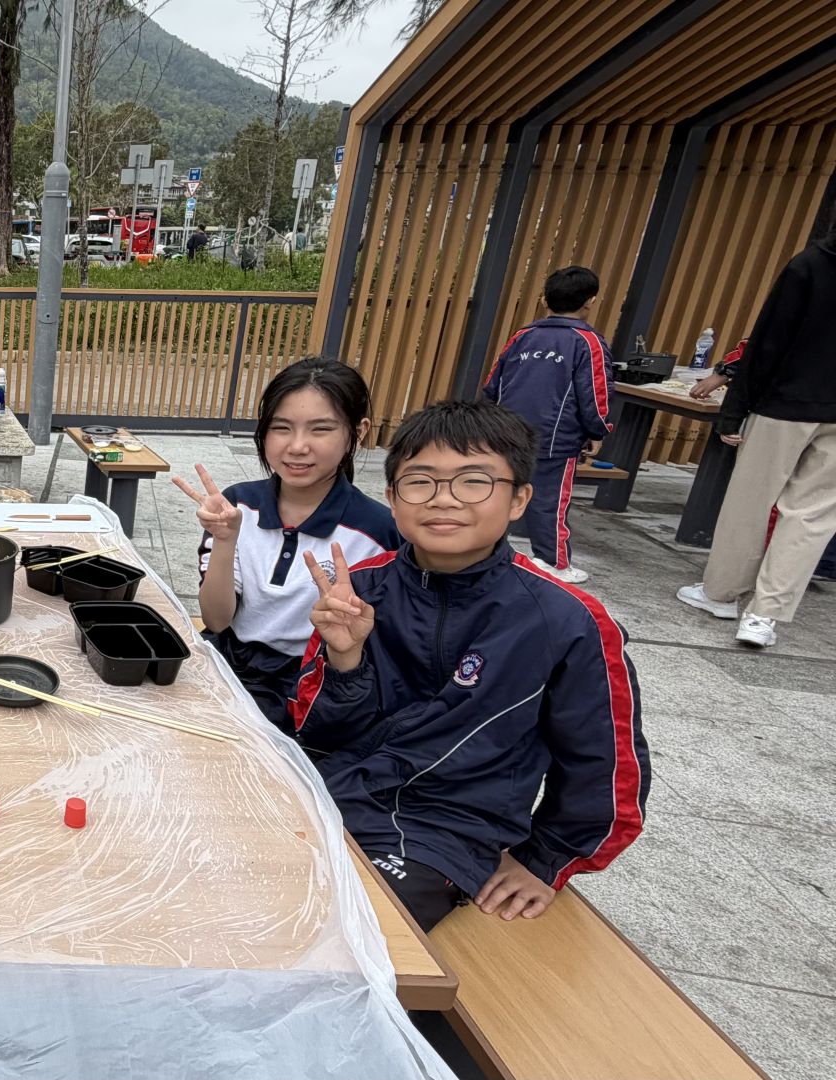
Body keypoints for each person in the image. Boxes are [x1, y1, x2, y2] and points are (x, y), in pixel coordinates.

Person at [287, 400, 648, 931]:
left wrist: (545, 860)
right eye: (421, 482)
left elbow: (607, 765)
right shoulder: (360, 589)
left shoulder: (565, 620)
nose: (444, 501)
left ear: (520, 497)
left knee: (348, 929)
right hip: (328, 792)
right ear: (392, 497)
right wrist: (345, 658)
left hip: (449, 829)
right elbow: (316, 729)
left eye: (474, 481)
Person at [175, 357, 397, 724]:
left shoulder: (379, 532)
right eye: (281, 428)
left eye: (320, 429)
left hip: (313, 688)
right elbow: (216, 620)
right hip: (229, 665)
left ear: (357, 433)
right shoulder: (236, 504)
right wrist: (226, 540)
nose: (297, 446)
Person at [679, 231, 836, 650]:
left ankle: (722, 594)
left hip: (783, 404)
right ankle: (764, 617)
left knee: (750, 501)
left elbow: (768, 340)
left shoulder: (810, 265)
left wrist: (736, 405)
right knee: (812, 518)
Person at [481, 265, 613, 584]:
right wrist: (598, 430)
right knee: (550, 501)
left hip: (506, 431)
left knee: (499, 490)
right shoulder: (588, 342)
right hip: (557, 437)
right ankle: (553, 562)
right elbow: (595, 393)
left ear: (545, 300)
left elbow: (492, 383)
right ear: (590, 301)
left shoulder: (522, 336)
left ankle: (484, 549)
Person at [688, 337, 836, 584]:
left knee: (765, 499)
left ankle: (731, 583)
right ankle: (804, 569)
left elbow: (767, 338)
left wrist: (726, 375)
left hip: (792, 407)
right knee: (814, 505)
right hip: (813, 409)